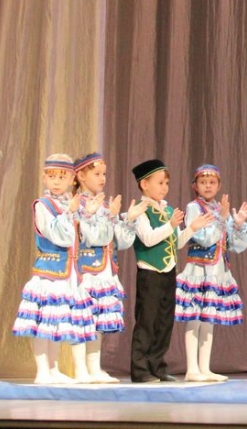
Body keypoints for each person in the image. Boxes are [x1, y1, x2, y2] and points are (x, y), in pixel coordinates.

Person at [11, 153, 98, 384]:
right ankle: (42, 370)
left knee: (58, 319)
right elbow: (57, 234)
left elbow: (83, 237)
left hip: (69, 271)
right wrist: (69, 213)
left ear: (71, 179)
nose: (57, 181)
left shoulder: (71, 204)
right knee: (44, 321)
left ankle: (54, 368)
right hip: (50, 271)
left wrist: (87, 214)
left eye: (62, 177)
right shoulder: (43, 205)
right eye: (52, 176)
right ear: (44, 178)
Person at [129, 159, 213, 383]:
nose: (164, 187)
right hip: (149, 273)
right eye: (160, 183)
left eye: (166, 183)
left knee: (164, 322)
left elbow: (176, 243)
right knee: (147, 321)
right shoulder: (140, 211)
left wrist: (191, 228)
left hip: (168, 272)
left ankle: (157, 366)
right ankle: (140, 369)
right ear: (144, 184)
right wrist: (171, 225)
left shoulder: (167, 210)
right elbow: (148, 239)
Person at [175, 164, 247, 382]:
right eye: (203, 182)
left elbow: (235, 245)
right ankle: (192, 369)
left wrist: (237, 225)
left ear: (219, 186)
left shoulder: (220, 208)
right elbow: (205, 238)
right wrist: (221, 219)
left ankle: (205, 367)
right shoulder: (194, 207)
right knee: (195, 318)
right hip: (199, 269)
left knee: (209, 319)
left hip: (217, 269)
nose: (207, 186)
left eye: (212, 182)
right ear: (195, 186)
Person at [74, 152, 146, 383]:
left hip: (105, 270)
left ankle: (94, 367)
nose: (102, 178)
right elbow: (94, 237)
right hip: (86, 270)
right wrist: (109, 218)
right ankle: (80, 369)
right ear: (81, 176)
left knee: (98, 319)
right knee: (83, 318)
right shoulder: (77, 205)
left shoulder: (104, 205)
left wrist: (128, 220)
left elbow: (121, 242)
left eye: (104, 174)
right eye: (97, 174)